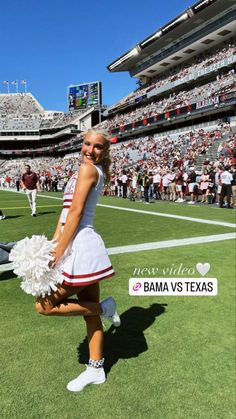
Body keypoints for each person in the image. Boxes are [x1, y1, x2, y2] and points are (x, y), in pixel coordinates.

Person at [35, 129, 120, 392]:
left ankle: (104, 309)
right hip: (78, 244)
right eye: (87, 144)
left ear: (104, 152)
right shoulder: (84, 169)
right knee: (88, 311)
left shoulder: (88, 170)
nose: (90, 150)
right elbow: (65, 213)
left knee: (45, 306)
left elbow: (76, 212)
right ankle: (96, 369)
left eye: (97, 147)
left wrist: (59, 251)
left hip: (79, 247)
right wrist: (51, 244)